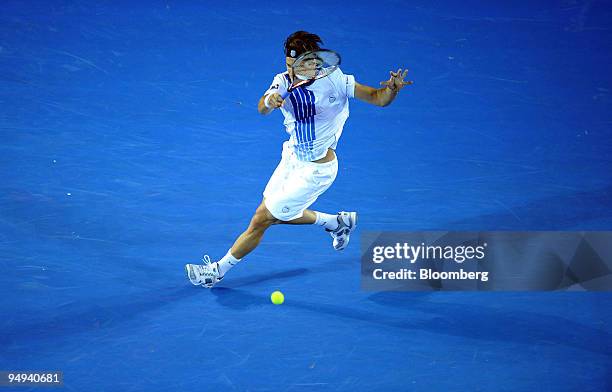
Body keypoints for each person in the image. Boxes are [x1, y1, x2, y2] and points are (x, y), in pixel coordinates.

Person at [186, 31, 412, 288]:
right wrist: (270, 100)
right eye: (287, 64)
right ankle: (336, 222)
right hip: (291, 158)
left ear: (314, 62)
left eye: (298, 65)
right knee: (268, 212)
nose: (291, 71)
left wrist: (391, 89)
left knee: (263, 218)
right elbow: (262, 107)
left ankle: (216, 271)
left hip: (316, 170)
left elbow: (377, 98)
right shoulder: (282, 80)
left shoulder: (335, 80)